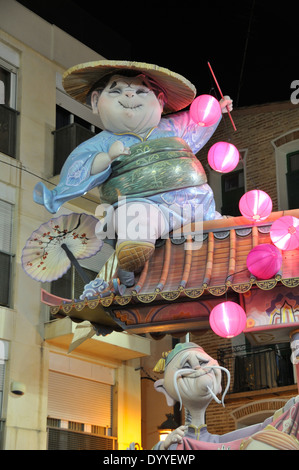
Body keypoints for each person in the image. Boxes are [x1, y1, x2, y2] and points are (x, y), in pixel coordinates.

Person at [33, 60, 232, 280]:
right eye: (116, 90)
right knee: (136, 219)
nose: (129, 96)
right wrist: (107, 156)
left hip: (196, 203)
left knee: (223, 231)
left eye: (140, 91)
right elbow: (81, 166)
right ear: (96, 101)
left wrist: (217, 110)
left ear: (160, 101)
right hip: (146, 207)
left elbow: (196, 122)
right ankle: (131, 260)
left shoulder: (171, 126)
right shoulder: (101, 143)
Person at [153, 342, 299, 450]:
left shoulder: (219, 443)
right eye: (186, 366)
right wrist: (162, 447)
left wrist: (291, 407)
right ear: (165, 390)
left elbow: (263, 428)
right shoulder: (176, 445)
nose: (198, 368)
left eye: (203, 362)